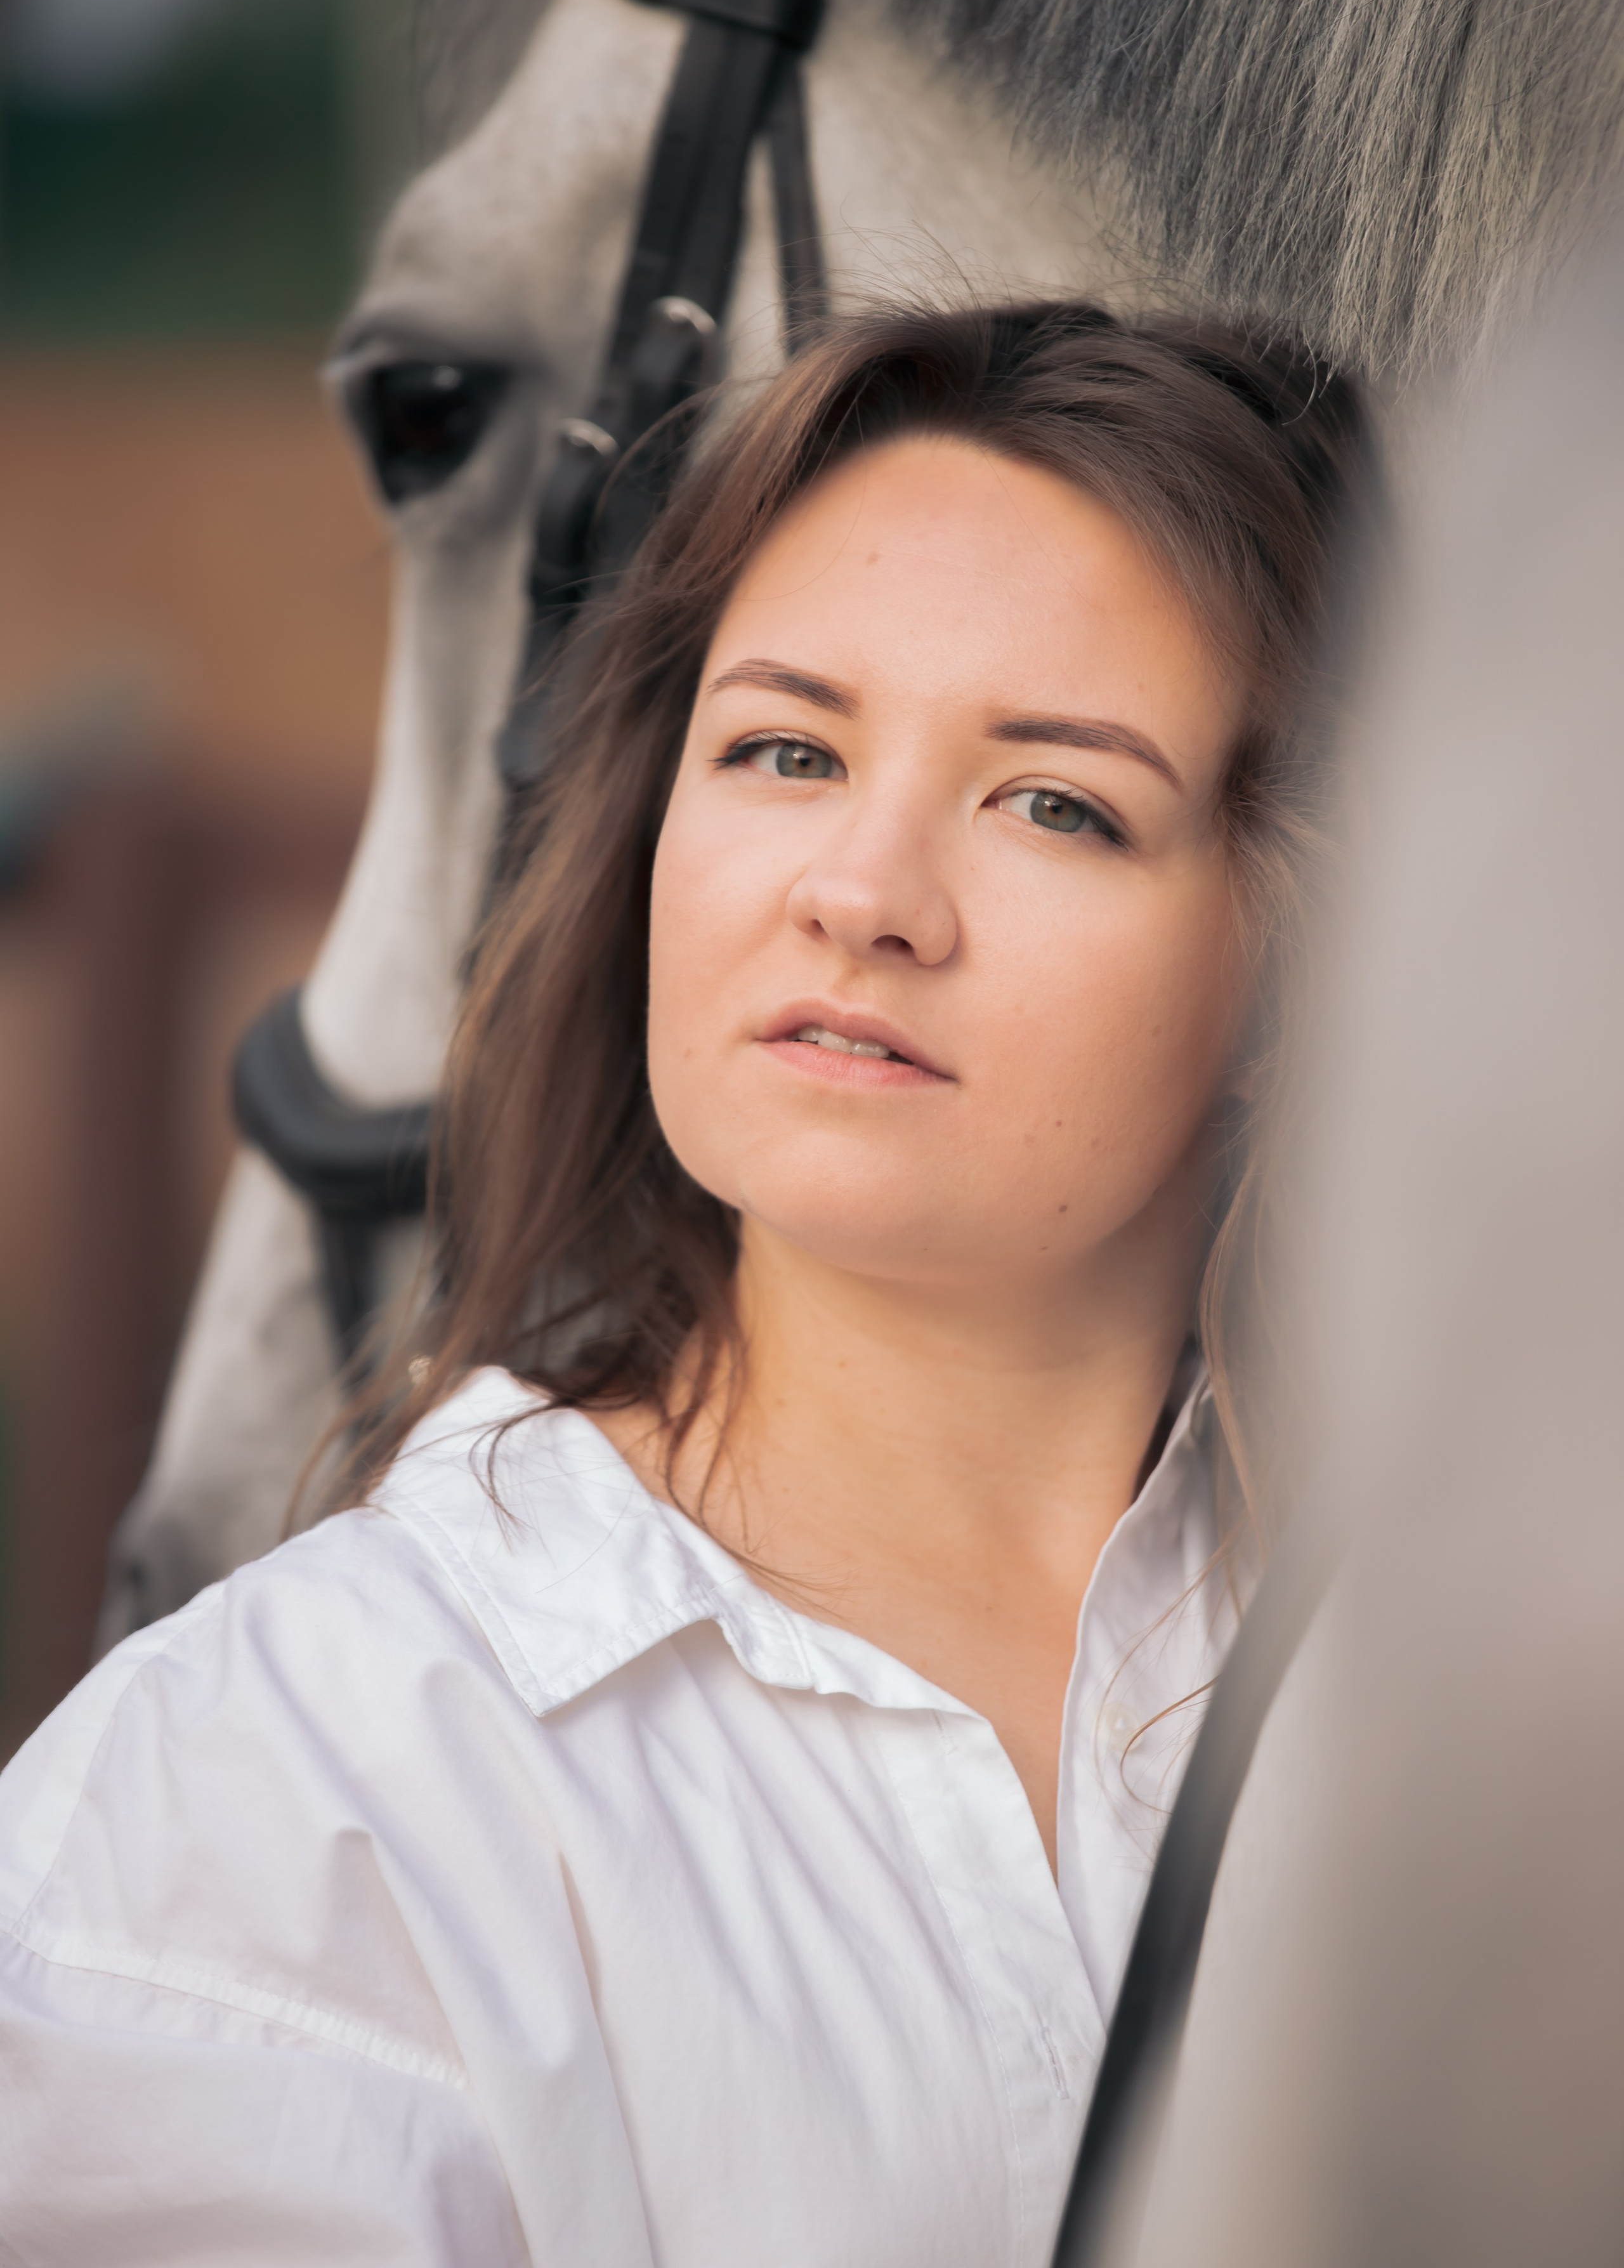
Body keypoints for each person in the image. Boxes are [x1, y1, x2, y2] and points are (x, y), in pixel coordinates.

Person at [0, 301, 1370, 2265]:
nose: (861, 893)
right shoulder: (290, 1785)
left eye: (1056, 800)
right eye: (786, 749)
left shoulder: (1465, 1684)